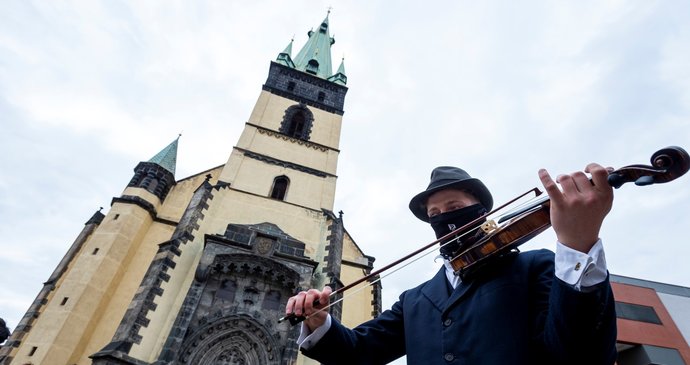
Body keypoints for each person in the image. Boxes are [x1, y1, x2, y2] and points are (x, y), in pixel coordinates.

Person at [285, 165, 618, 364]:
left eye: (454, 206)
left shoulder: (537, 267)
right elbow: (358, 352)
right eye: (434, 215)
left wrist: (577, 247)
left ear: (482, 213)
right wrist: (318, 322)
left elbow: (578, 353)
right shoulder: (415, 300)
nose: (444, 219)